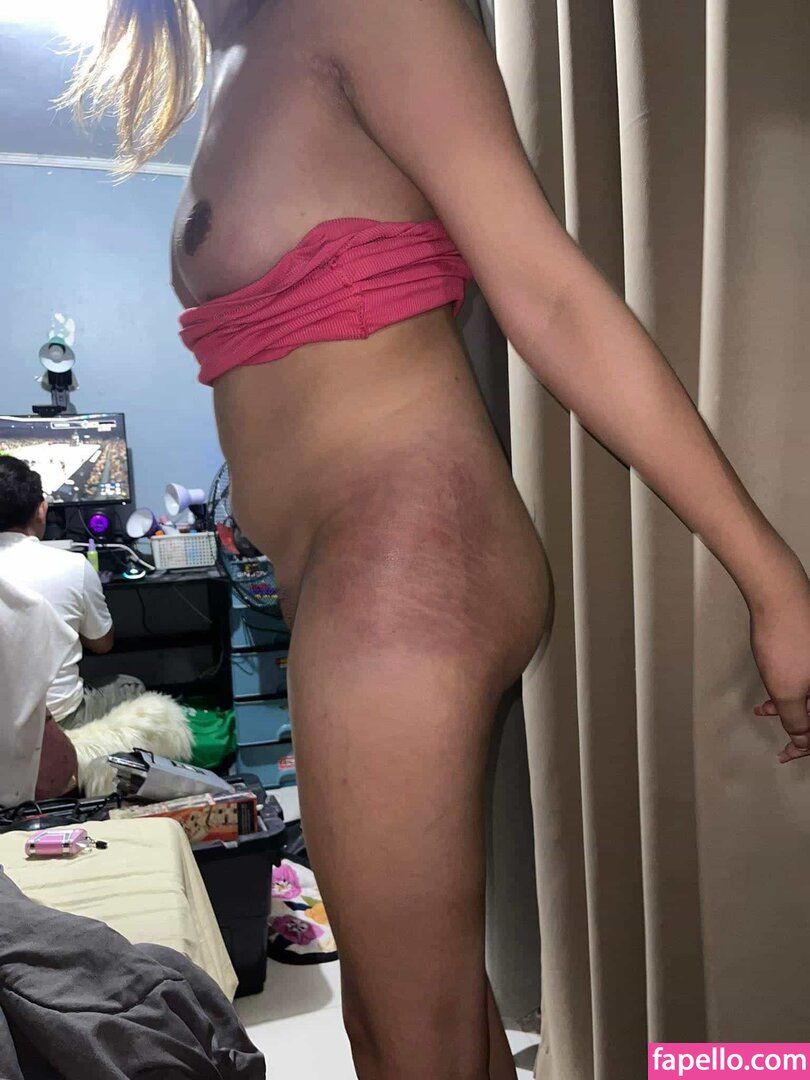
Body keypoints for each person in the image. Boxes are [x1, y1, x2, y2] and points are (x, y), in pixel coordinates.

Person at [63, 2, 810, 1077]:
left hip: (405, 551)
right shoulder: (239, 46)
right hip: (349, 573)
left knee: (405, 1045)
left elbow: (551, 297)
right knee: (430, 1024)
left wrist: (774, 583)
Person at [0, 456, 145, 728]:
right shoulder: (73, 566)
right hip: (58, 721)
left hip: (4, 730)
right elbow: (102, 644)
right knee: (131, 686)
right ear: (41, 510)